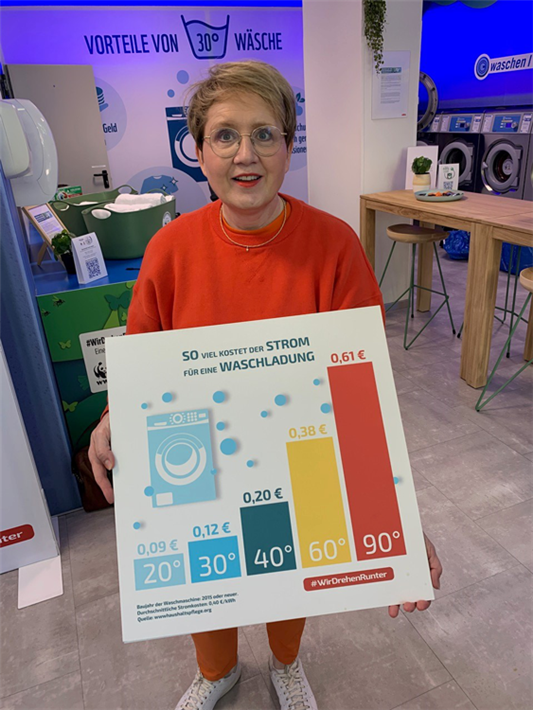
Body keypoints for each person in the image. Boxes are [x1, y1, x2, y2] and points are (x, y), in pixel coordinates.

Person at [89, 60, 443, 710]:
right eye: (225, 135)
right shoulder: (170, 250)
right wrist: (113, 417)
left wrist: (396, 520)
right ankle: (216, 671)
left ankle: (285, 662)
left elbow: (360, 392)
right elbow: (142, 360)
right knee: (207, 575)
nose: (245, 155)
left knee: (289, 566)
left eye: (264, 134)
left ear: (287, 145)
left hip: (298, 454)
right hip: (197, 452)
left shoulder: (334, 246)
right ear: (199, 152)